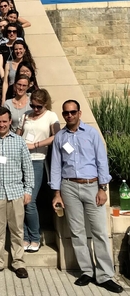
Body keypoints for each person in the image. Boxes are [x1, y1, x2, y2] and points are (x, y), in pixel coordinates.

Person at [51, 100, 123, 294]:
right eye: (66, 113)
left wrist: (103, 188)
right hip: (69, 187)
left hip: (92, 186)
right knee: (77, 231)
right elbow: (56, 166)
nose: (69, 116)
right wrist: (57, 192)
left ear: (79, 113)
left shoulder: (91, 134)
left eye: (73, 112)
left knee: (99, 231)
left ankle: (105, 275)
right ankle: (87, 271)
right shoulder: (60, 137)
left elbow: (102, 160)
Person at [0, 107, 34, 278]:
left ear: (10, 121)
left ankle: (18, 263)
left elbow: (27, 167)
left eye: (4, 121)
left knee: (17, 230)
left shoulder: (19, 141)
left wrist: (28, 189)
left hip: (16, 192)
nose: (1, 125)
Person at [16, 89, 60, 252]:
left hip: (37, 160)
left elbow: (57, 136)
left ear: (45, 104)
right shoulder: (25, 116)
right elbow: (17, 136)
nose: (35, 109)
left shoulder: (51, 116)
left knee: (30, 201)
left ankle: (35, 237)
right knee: (20, 201)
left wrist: (35, 145)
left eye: (38, 107)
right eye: (33, 105)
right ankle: (25, 237)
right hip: (21, 161)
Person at [1, 40, 35, 104]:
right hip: (12, 92)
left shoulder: (29, 64)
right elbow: (5, 82)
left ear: (24, 50)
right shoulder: (8, 64)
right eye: (16, 49)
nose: (18, 51)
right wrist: (3, 99)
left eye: (20, 49)